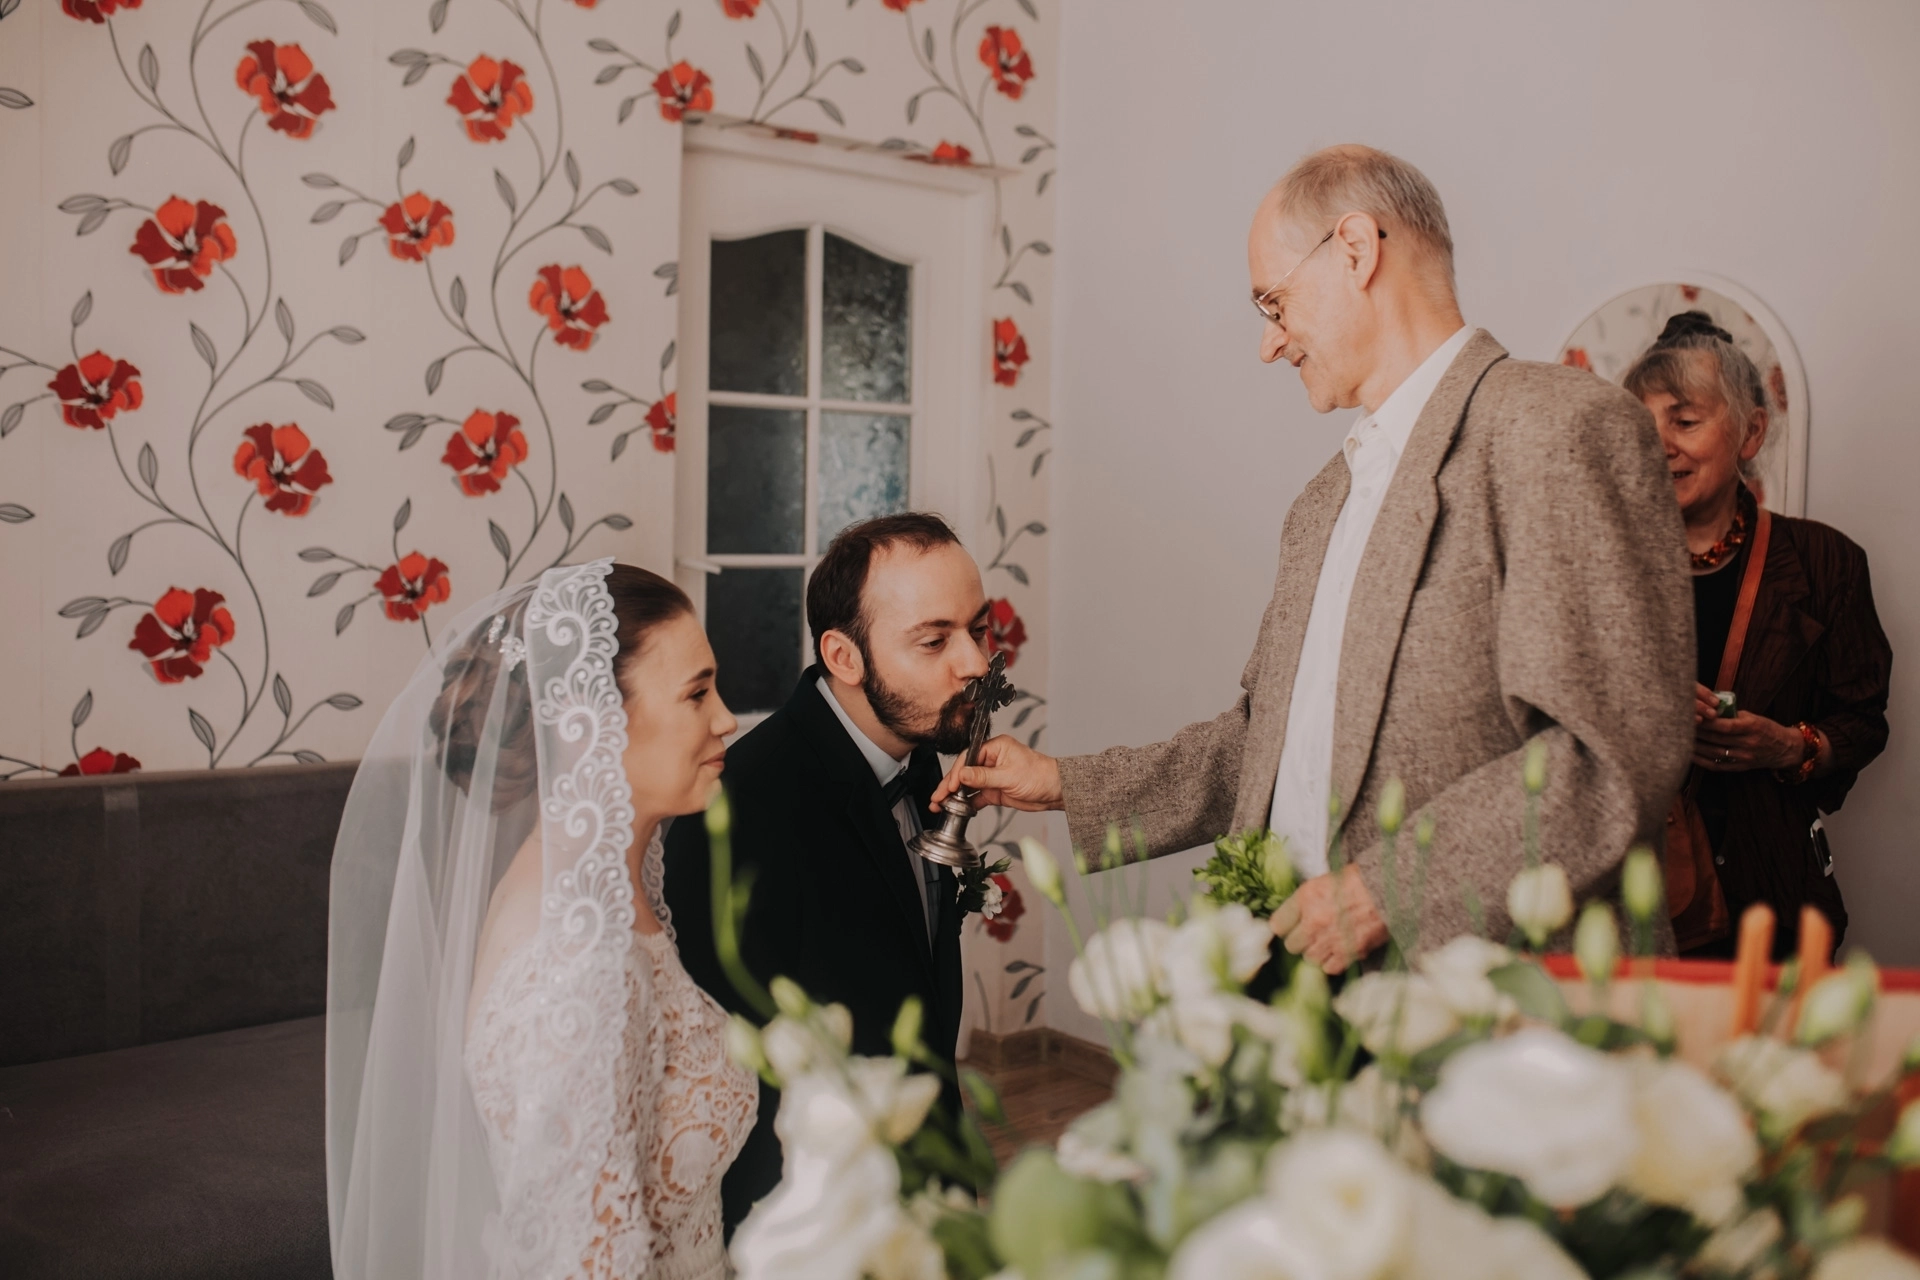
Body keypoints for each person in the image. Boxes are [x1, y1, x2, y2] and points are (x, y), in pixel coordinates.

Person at [934, 144, 1696, 966]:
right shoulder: (1322, 501)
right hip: (1308, 989)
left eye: (1274, 301)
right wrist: (1065, 784)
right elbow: (1264, 742)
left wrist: (1387, 892)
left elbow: (1611, 754)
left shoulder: (1557, 427)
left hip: (1497, 997)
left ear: (1357, 250)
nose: (1269, 344)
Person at [326, 561, 758, 1280]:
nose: (725, 719)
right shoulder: (574, 960)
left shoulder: (609, 894)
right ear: (588, 723)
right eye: (696, 693)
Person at [664, 512, 989, 1234]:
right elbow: (727, 1073)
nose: (974, 662)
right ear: (844, 656)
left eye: (979, 629)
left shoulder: (922, 759)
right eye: (935, 640)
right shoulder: (740, 810)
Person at [1624, 311, 1891, 958]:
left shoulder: (1826, 563)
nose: (1659, 444)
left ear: (1751, 431)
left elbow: (1863, 722)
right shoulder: (1599, 561)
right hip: (1625, 901)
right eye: (1640, 425)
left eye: (1685, 421)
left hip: (1772, 901)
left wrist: (1788, 746)